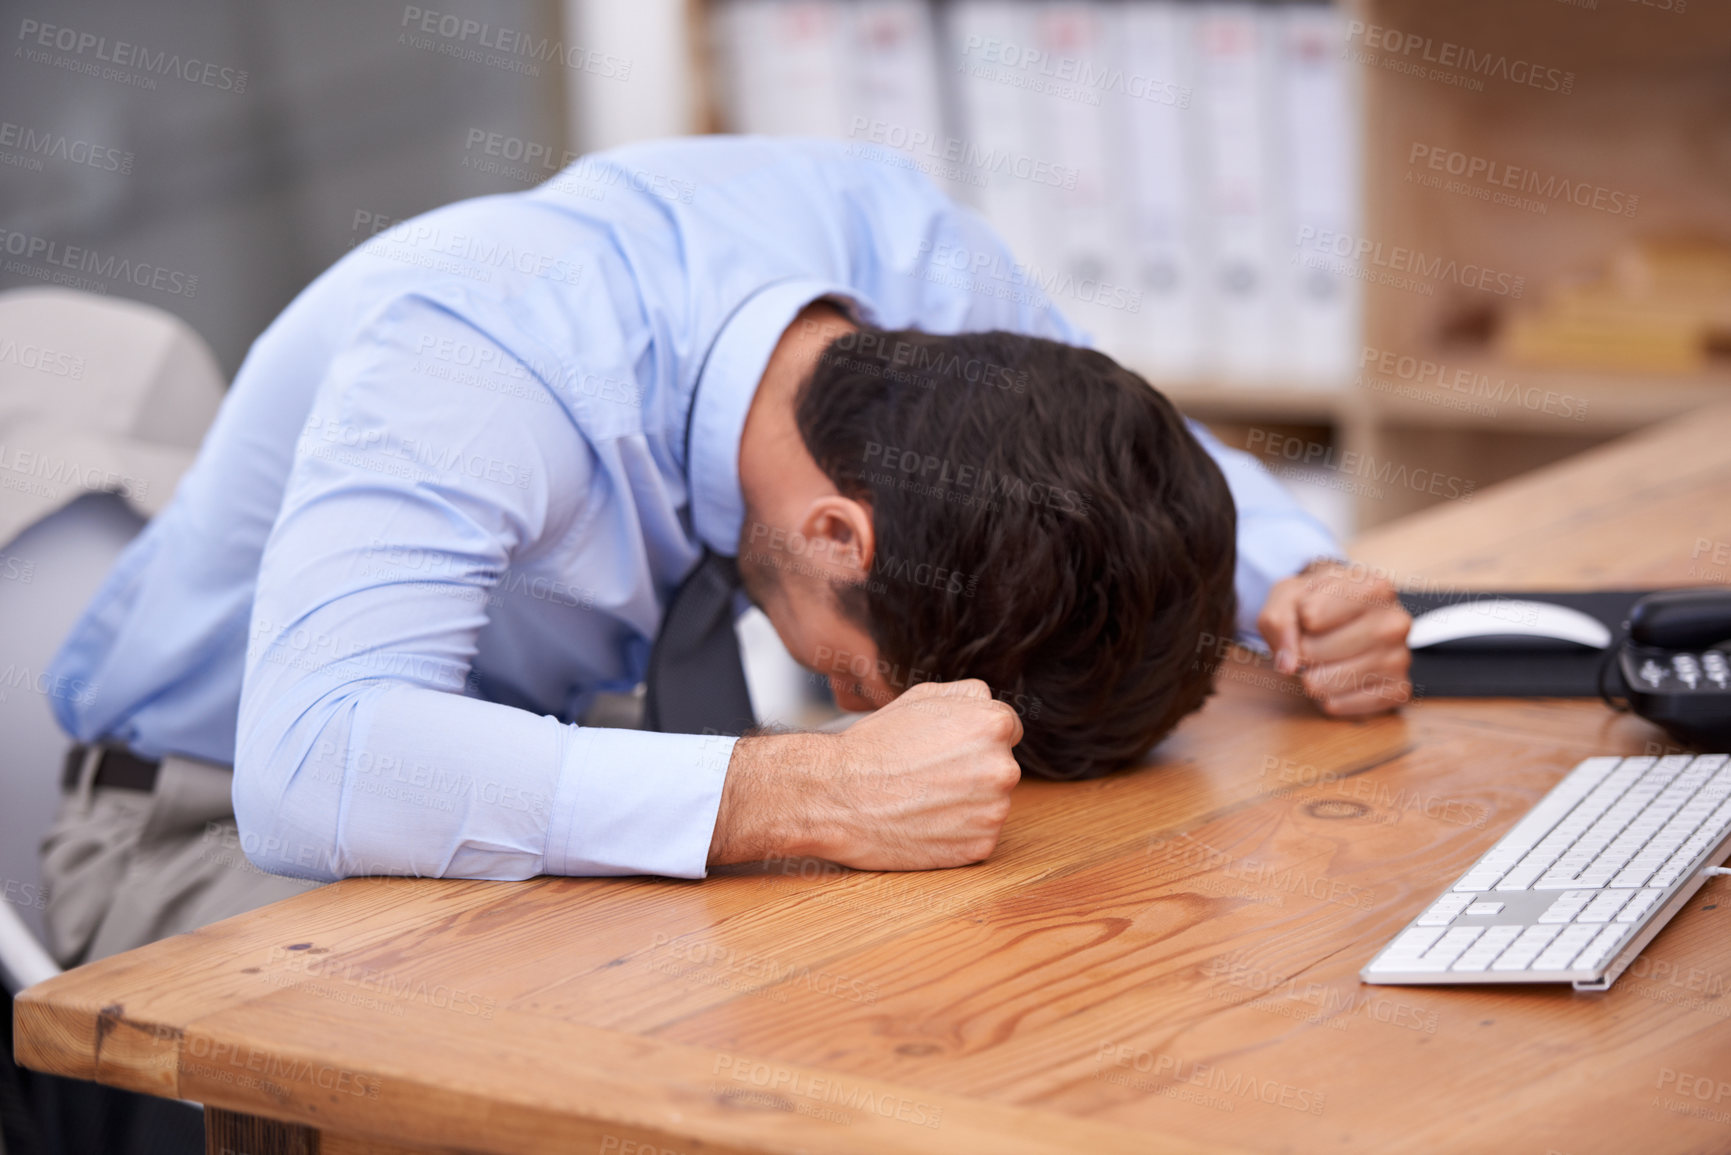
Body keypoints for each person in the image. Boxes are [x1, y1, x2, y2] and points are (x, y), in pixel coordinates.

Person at [39, 136, 1411, 964]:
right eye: (873, 684)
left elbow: (1106, 442)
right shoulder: (481, 351)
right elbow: (314, 767)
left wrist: (1290, 573)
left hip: (532, 775)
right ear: (835, 531)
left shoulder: (894, 253)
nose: (872, 706)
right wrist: (810, 790)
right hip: (210, 832)